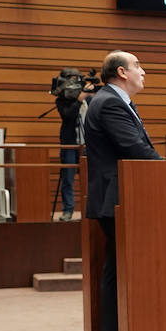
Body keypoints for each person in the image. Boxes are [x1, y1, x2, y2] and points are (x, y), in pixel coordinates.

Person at [84, 51, 162, 331]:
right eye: (137, 66)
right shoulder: (110, 103)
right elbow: (134, 148)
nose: (143, 72)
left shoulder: (113, 101)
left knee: (117, 269)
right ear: (121, 72)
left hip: (119, 196)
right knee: (121, 270)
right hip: (117, 198)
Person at [53, 68, 90, 221]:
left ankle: (90, 211)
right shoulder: (62, 100)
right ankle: (68, 211)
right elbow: (68, 115)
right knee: (68, 179)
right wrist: (79, 100)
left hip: (87, 145)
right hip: (70, 144)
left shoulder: (89, 98)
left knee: (90, 179)